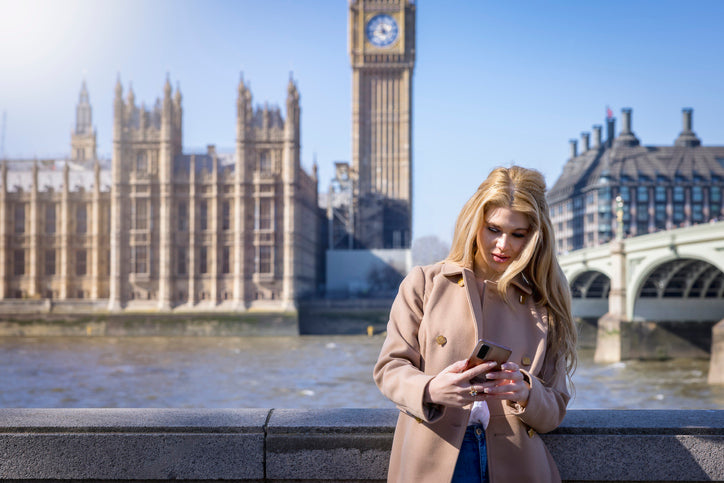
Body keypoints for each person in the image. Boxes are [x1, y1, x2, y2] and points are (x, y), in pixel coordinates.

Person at [374, 166, 577, 483]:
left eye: (518, 234)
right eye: (493, 229)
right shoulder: (424, 284)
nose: (503, 245)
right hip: (434, 455)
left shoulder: (543, 306)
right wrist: (432, 389)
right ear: (474, 223)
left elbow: (555, 409)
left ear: (535, 237)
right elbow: (389, 369)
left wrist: (525, 392)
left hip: (517, 463)